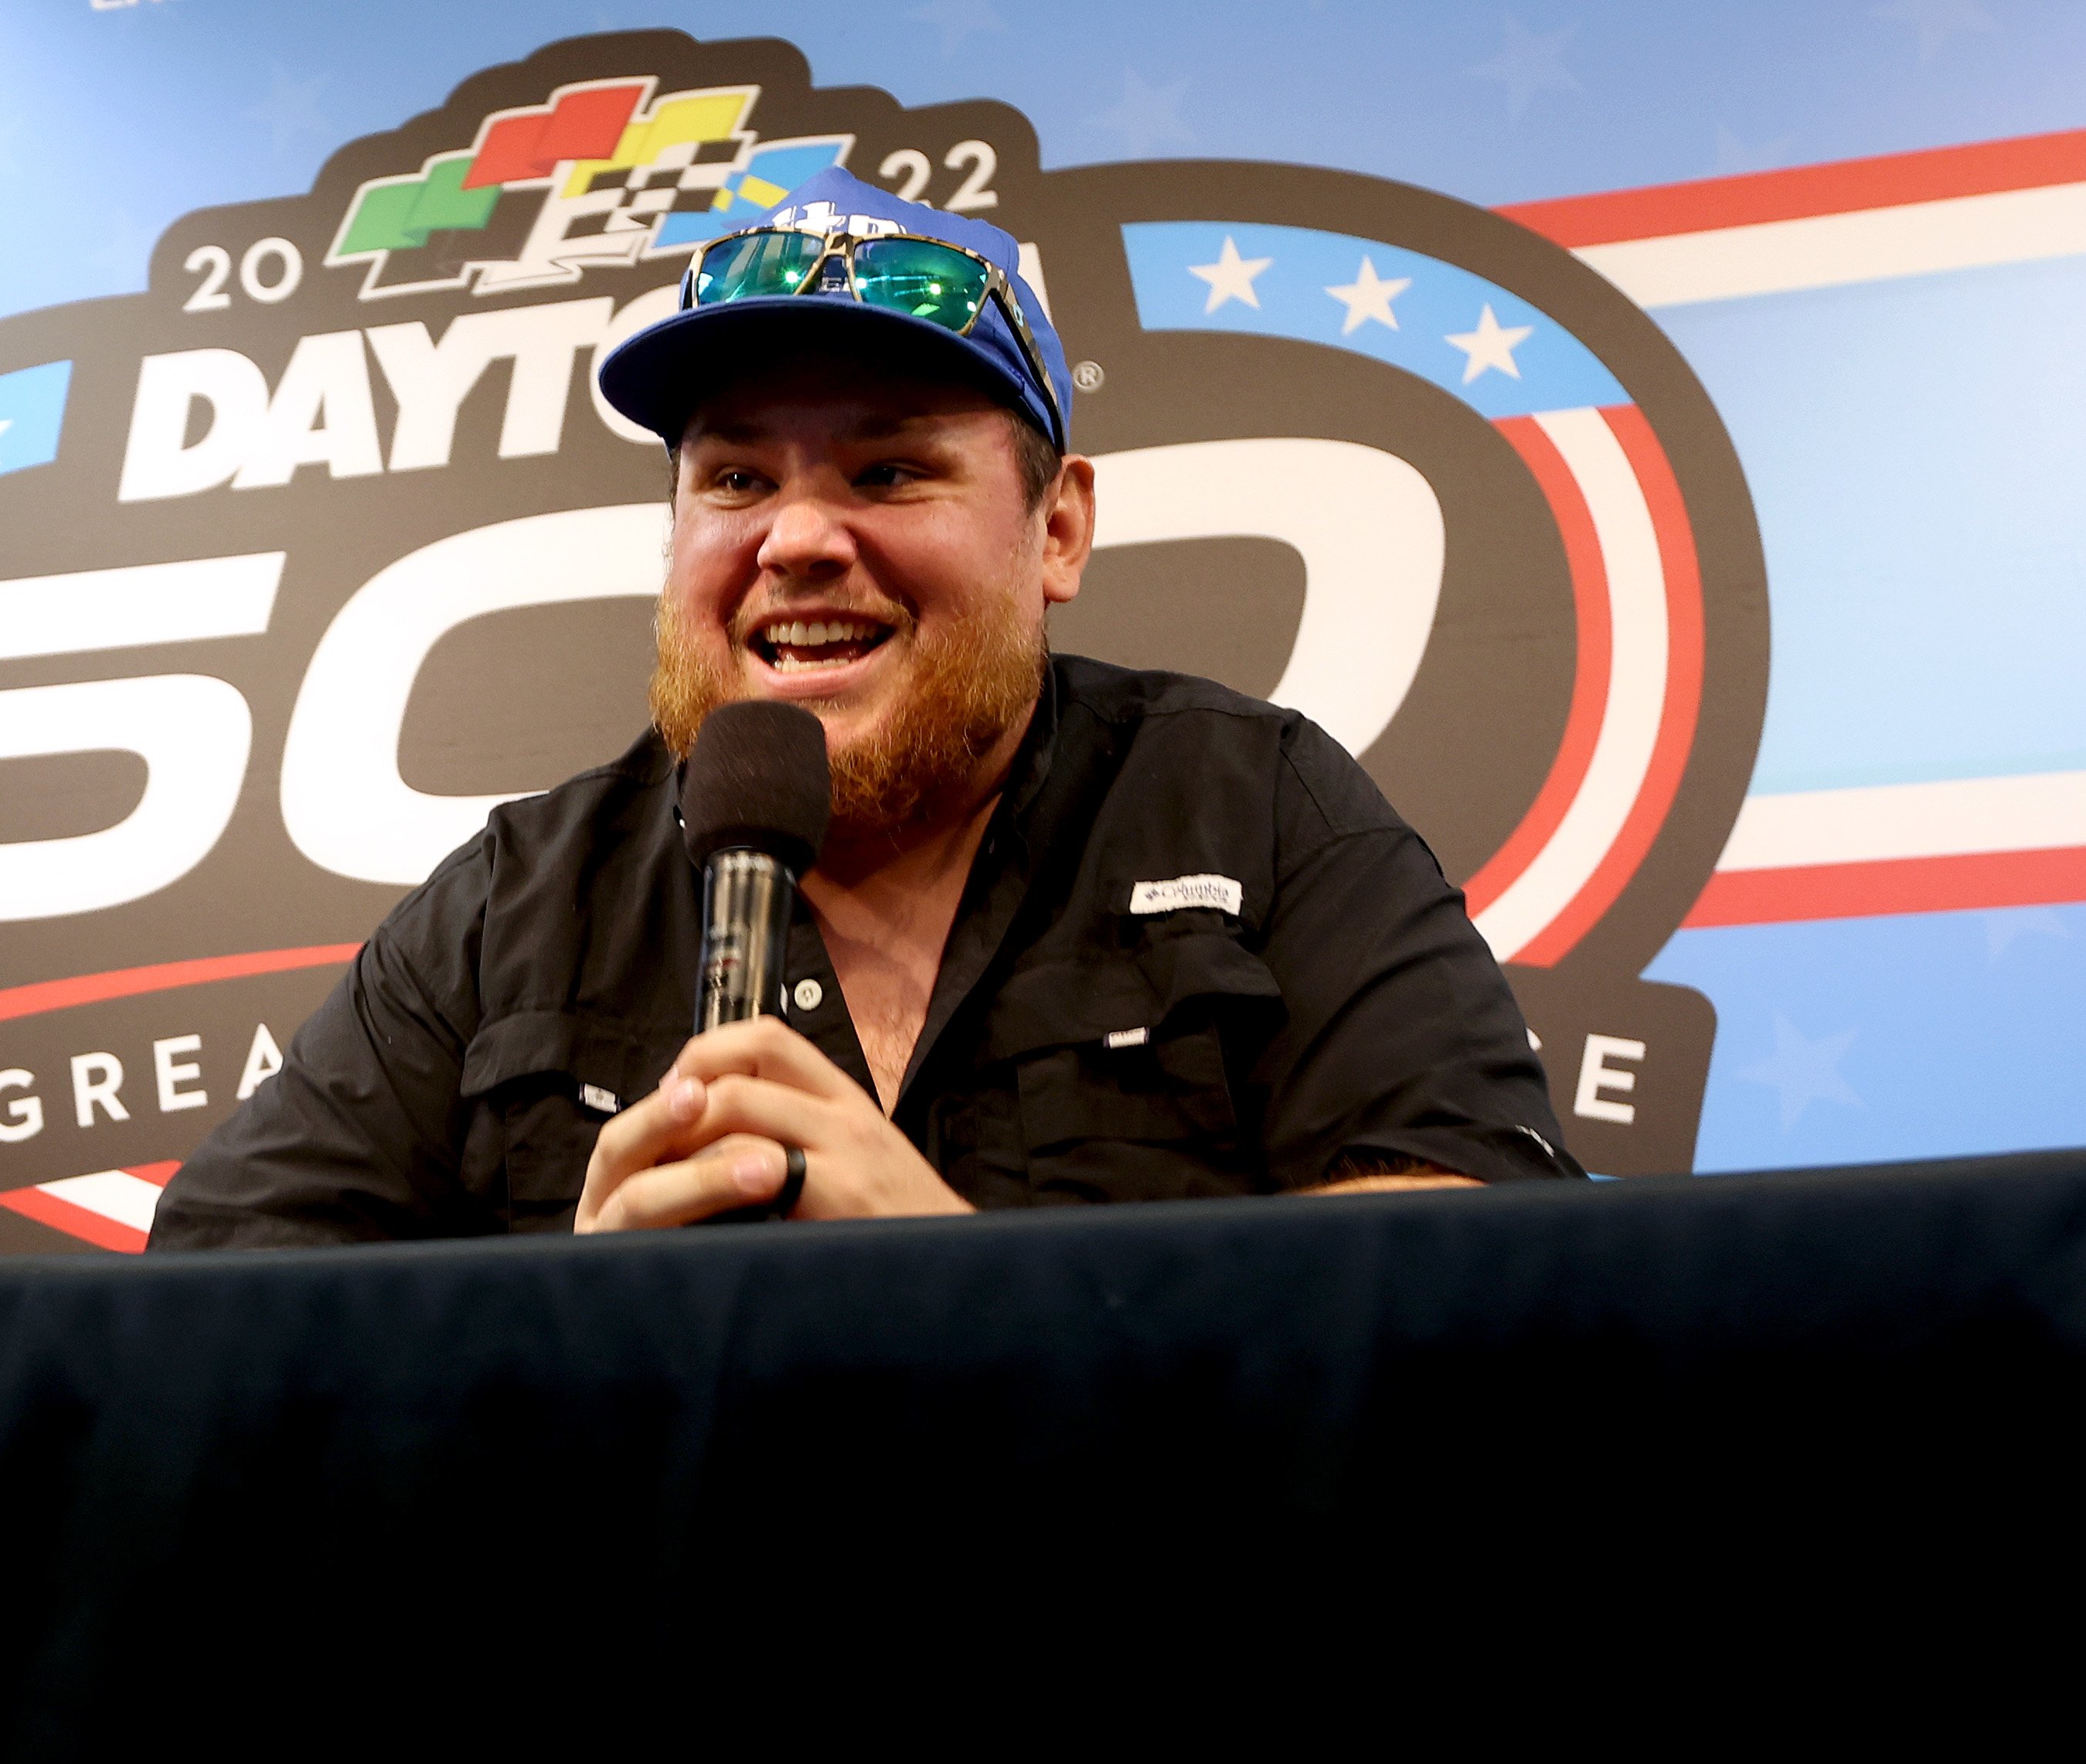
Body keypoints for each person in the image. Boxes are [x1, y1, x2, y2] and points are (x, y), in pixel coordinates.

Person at [148, 166, 1581, 1248]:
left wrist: (973, 1286)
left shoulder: (1254, 809)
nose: (796, 540)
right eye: (735, 480)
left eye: (889, 472)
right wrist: (557, 1330)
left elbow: (1493, 1262)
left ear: (1059, 530)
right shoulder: (511, 909)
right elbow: (206, 1315)